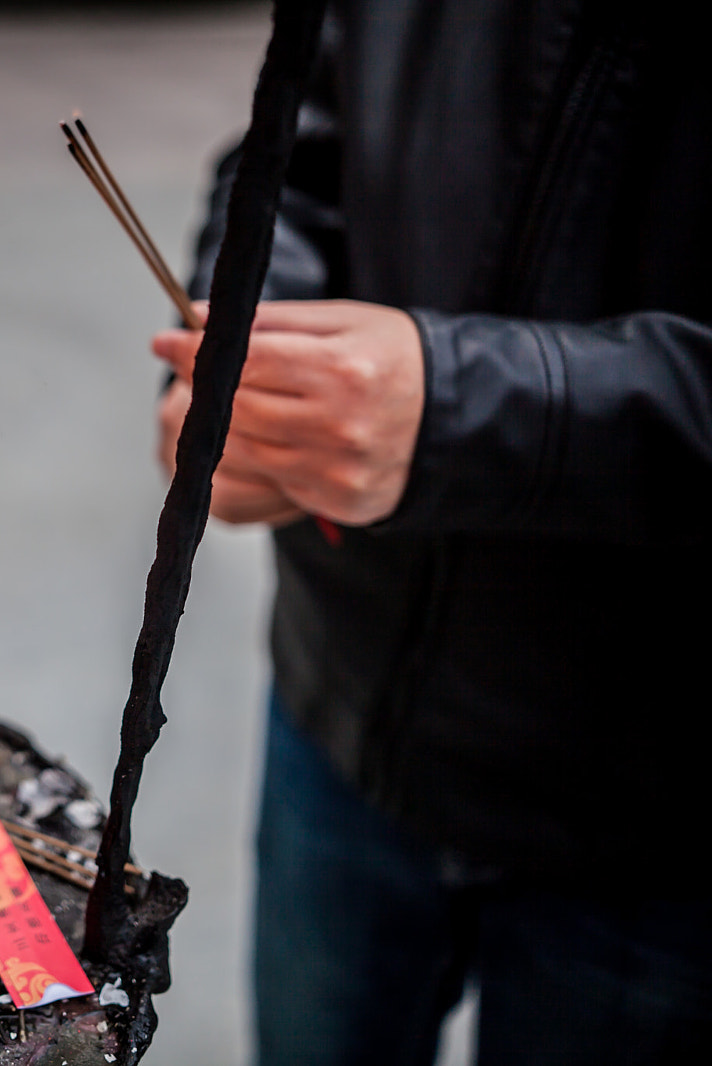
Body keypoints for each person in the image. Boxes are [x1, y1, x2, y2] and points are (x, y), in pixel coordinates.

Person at [153, 3, 712, 1064]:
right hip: (342, 704)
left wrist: (466, 410)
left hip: (653, 827)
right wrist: (251, 345)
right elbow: (298, 148)